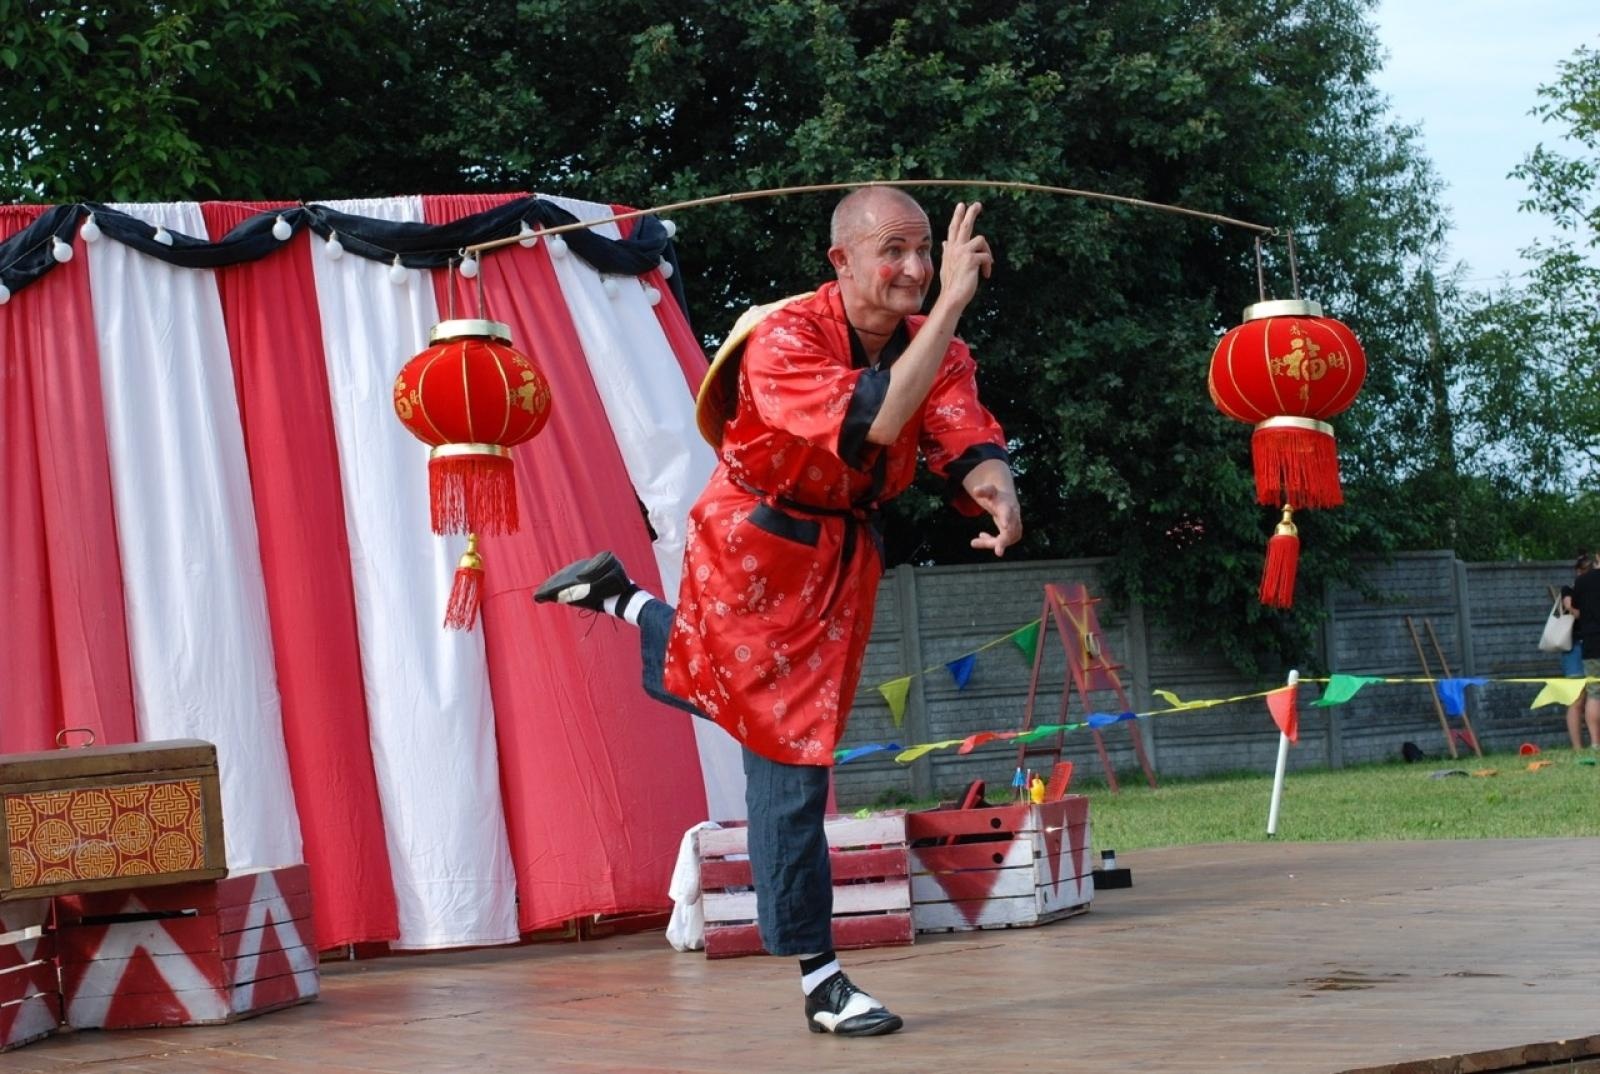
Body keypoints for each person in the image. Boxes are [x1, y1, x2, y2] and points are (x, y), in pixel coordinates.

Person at [536, 187, 1022, 1037]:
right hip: (756, 546)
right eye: (894, 251)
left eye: (924, 253)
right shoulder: (785, 337)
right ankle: (820, 978)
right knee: (789, 759)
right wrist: (949, 298)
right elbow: (877, 421)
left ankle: (620, 599)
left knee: (752, 707)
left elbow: (960, 431)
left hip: (842, 563)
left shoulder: (936, 346)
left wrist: (997, 492)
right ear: (841, 261)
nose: (913, 269)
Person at [1559, 553, 1594, 750]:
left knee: (1594, 696)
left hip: (1591, 645)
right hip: (1574, 647)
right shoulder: (1569, 590)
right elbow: (1574, 611)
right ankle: (1577, 746)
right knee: (1576, 698)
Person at [1568, 550, 1600, 755]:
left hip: (1592, 644)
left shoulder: (1582, 582)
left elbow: (1576, 612)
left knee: (1595, 694)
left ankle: (1596, 744)